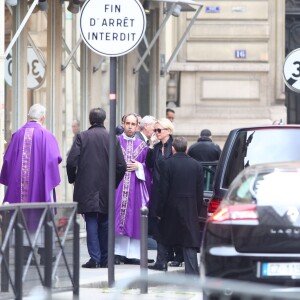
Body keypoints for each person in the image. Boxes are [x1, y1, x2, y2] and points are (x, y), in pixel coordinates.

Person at [0, 103, 62, 264]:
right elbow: (54, 160)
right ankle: (45, 254)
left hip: (19, 186)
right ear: (43, 117)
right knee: (42, 215)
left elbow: (7, 160)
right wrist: (47, 178)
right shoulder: (46, 135)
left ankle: (25, 255)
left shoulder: (17, 134)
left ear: (29, 116)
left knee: (22, 217)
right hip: (41, 185)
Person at [66, 108, 126, 268]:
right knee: (105, 221)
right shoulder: (112, 138)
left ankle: (95, 258)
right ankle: (106, 258)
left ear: (90, 120)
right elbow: (122, 165)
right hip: (106, 186)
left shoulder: (82, 136)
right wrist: (113, 183)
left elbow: (71, 161)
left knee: (91, 219)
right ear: (104, 119)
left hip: (86, 186)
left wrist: (73, 179)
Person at [154, 136, 203, 276]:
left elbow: (163, 190)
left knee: (163, 234)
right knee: (189, 240)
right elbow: (199, 192)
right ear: (187, 149)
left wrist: (160, 210)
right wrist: (196, 209)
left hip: (171, 207)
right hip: (189, 207)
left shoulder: (167, 164)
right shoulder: (197, 165)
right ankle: (192, 271)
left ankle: (161, 263)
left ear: (173, 149)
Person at [115, 113, 152, 264]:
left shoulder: (143, 146)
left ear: (137, 126)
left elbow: (150, 169)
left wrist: (139, 167)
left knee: (134, 218)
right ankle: (117, 253)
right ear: (122, 124)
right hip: (117, 188)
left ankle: (133, 254)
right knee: (117, 218)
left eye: (133, 124)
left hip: (136, 188)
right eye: (127, 123)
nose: (130, 127)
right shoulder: (115, 143)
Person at [146, 118, 175, 271]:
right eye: (155, 130)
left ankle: (172, 256)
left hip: (172, 190)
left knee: (171, 224)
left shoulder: (175, 146)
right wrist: (150, 146)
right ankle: (162, 259)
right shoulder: (156, 147)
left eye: (159, 130)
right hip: (157, 190)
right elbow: (149, 164)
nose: (156, 133)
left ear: (168, 131)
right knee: (159, 225)